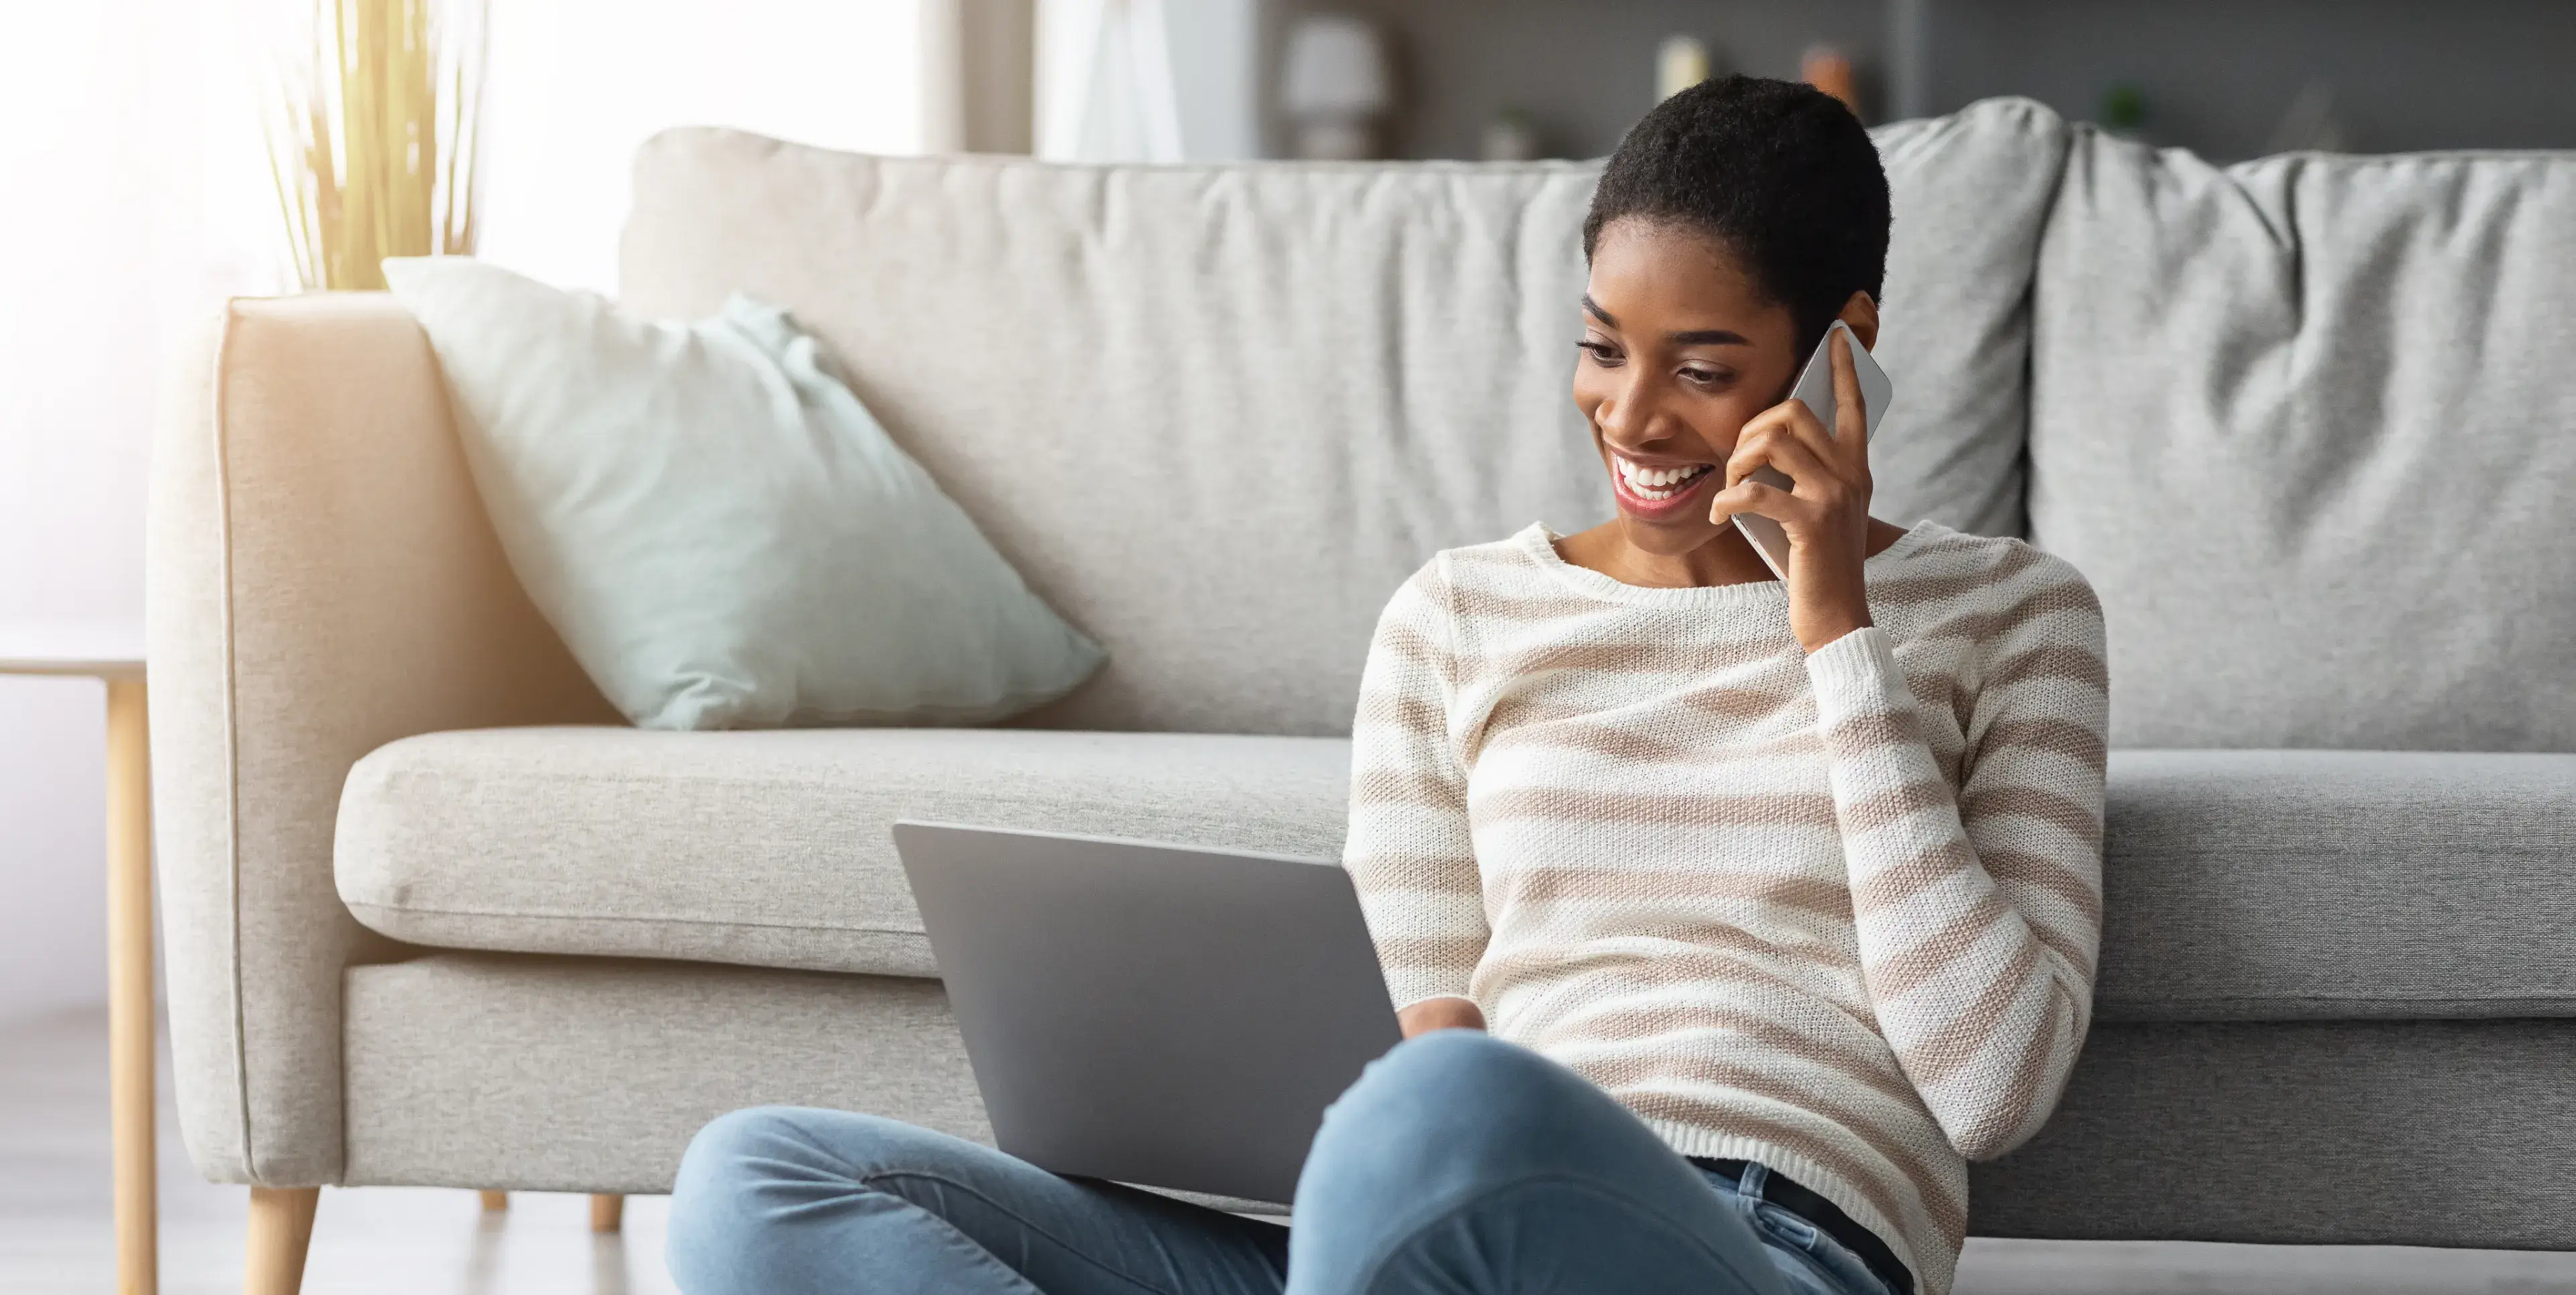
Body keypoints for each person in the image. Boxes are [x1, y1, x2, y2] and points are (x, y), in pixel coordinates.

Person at [664, 74, 2108, 1295]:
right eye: (1604, 348)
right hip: (1404, 1235)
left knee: (1446, 1107)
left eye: (1706, 368)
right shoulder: (1456, 616)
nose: (1635, 415)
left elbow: (1993, 1086)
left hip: (1755, 1245)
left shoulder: (2013, 616)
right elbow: (1416, 1040)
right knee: (764, 1178)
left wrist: (1836, 627)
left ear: (1841, 343)